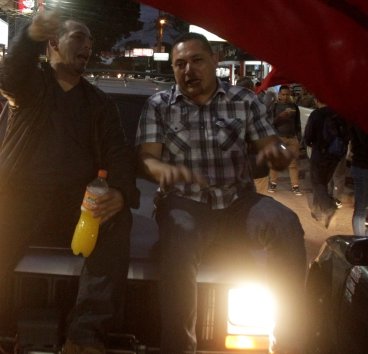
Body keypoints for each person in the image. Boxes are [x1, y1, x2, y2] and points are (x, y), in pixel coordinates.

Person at [0, 10, 136, 354]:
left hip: (77, 208)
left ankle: (84, 337)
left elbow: (119, 153)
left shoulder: (100, 104)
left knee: (119, 219)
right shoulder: (32, 87)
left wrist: (122, 192)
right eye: (79, 37)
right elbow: (9, 75)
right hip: (19, 200)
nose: (88, 46)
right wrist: (29, 36)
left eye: (91, 41)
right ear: (53, 43)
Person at [136, 32, 305, 354]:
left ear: (215, 60)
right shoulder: (159, 105)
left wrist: (279, 153)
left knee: (286, 222)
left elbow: (271, 146)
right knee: (179, 235)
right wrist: (163, 170)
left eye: (196, 60)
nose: (189, 70)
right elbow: (147, 157)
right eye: (180, 64)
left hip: (238, 202)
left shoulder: (244, 101)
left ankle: (289, 344)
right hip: (183, 203)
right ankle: (179, 347)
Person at [303, 95, 349, 228]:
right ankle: (317, 211)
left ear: (317, 101)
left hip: (320, 154)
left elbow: (308, 137)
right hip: (335, 155)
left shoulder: (316, 114)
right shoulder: (339, 114)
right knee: (324, 182)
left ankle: (329, 209)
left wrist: (311, 144)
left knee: (317, 182)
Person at [268, 85, 302, 195]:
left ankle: (295, 186)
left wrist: (299, 138)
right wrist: (280, 116)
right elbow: (270, 123)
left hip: (292, 138)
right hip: (279, 138)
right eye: (283, 94)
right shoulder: (275, 107)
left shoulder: (294, 107)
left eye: (287, 94)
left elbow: (298, 123)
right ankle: (273, 183)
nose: (285, 96)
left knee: (293, 163)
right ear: (279, 95)